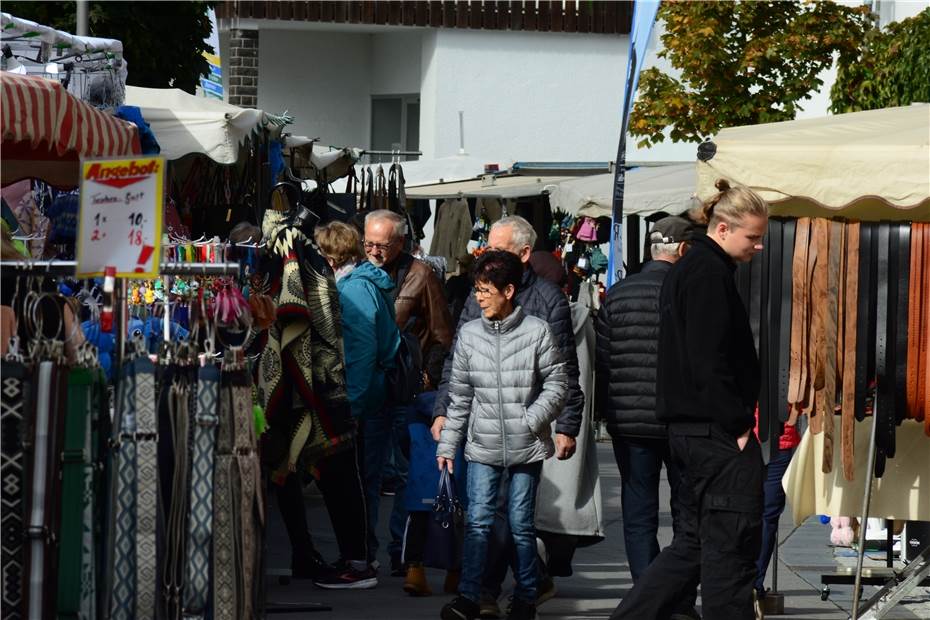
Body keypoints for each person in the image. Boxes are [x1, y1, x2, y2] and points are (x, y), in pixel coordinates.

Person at [610, 179, 769, 620]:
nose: (757, 247)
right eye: (752, 237)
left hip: (692, 430)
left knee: (694, 545)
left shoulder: (695, 269)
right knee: (728, 548)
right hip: (712, 432)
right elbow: (708, 359)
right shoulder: (706, 273)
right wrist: (737, 425)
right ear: (722, 229)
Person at [431, 216, 587, 617]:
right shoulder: (472, 325)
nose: (480, 297)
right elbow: (460, 382)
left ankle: (525, 595)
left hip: (524, 444)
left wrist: (544, 422)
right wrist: (446, 427)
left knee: (518, 523)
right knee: (481, 521)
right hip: (483, 443)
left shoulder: (542, 314)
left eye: (496, 249)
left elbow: (562, 376)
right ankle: (475, 595)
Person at [595, 216, 700, 620]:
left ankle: (647, 594)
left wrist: (608, 411)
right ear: (682, 251)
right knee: (686, 514)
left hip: (629, 421)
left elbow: (604, 361)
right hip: (681, 420)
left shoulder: (618, 295)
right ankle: (680, 603)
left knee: (638, 513)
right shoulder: (689, 293)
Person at [364, 209, 454, 575]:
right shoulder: (358, 274)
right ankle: (364, 551)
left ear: (400, 243)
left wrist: (427, 381)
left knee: (404, 474)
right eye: (367, 243)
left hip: (406, 390)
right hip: (370, 388)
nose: (373, 251)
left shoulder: (421, 275)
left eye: (381, 245)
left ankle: (400, 549)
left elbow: (442, 333)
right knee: (367, 473)